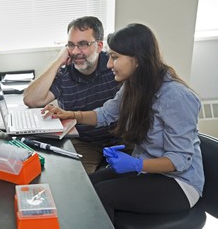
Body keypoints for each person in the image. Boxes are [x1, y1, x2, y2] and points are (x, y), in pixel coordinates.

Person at [42, 23, 204, 223]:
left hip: (179, 184)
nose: (109, 64)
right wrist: (70, 114)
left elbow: (179, 161)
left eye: (115, 57)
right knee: (83, 186)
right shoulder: (135, 85)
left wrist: (135, 163)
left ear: (137, 59)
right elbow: (105, 114)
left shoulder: (176, 96)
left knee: (100, 195)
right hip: (147, 172)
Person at [23, 16, 130, 173]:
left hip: (121, 138)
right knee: (79, 185)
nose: (75, 52)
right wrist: (58, 61)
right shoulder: (65, 73)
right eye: (71, 45)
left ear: (99, 46)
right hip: (84, 142)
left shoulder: (112, 65)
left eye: (83, 45)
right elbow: (31, 100)